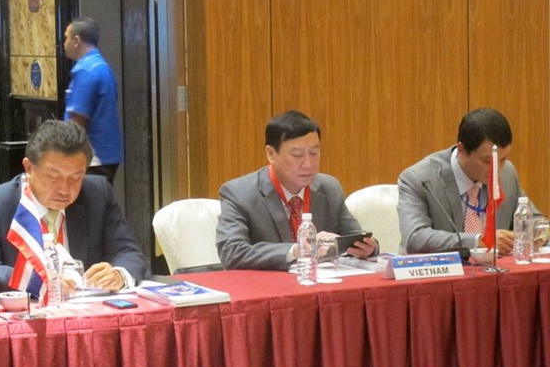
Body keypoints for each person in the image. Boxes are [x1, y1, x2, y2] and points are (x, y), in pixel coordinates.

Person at [0, 120, 145, 297]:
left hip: (87, 310)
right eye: (53, 177)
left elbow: (128, 252)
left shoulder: (97, 194)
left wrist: (118, 274)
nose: (64, 190)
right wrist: (38, 281)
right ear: (28, 167)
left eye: (75, 178)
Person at [216, 111, 376, 270]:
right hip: (268, 283)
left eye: (314, 153)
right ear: (271, 154)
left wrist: (368, 247)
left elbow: (354, 237)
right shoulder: (239, 193)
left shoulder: (329, 188)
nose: (308, 164)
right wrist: (297, 250)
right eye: (297, 155)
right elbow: (231, 252)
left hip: (320, 281)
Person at [398, 107, 540, 255]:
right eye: (488, 161)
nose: (497, 170)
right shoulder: (420, 179)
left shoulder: (507, 174)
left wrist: (538, 233)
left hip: (494, 268)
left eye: (503, 159)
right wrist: (479, 241)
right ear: (462, 150)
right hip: (439, 268)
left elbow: (535, 219)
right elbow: (415, 237)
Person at [63, 16, 123, 184]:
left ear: (76, 40)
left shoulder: (86, 70)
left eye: (66, 38)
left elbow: (77, 122)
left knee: (87, 200)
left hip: (91, 158)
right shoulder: (101, 66)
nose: (64, 43)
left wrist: (64, 155)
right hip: (106, 154)